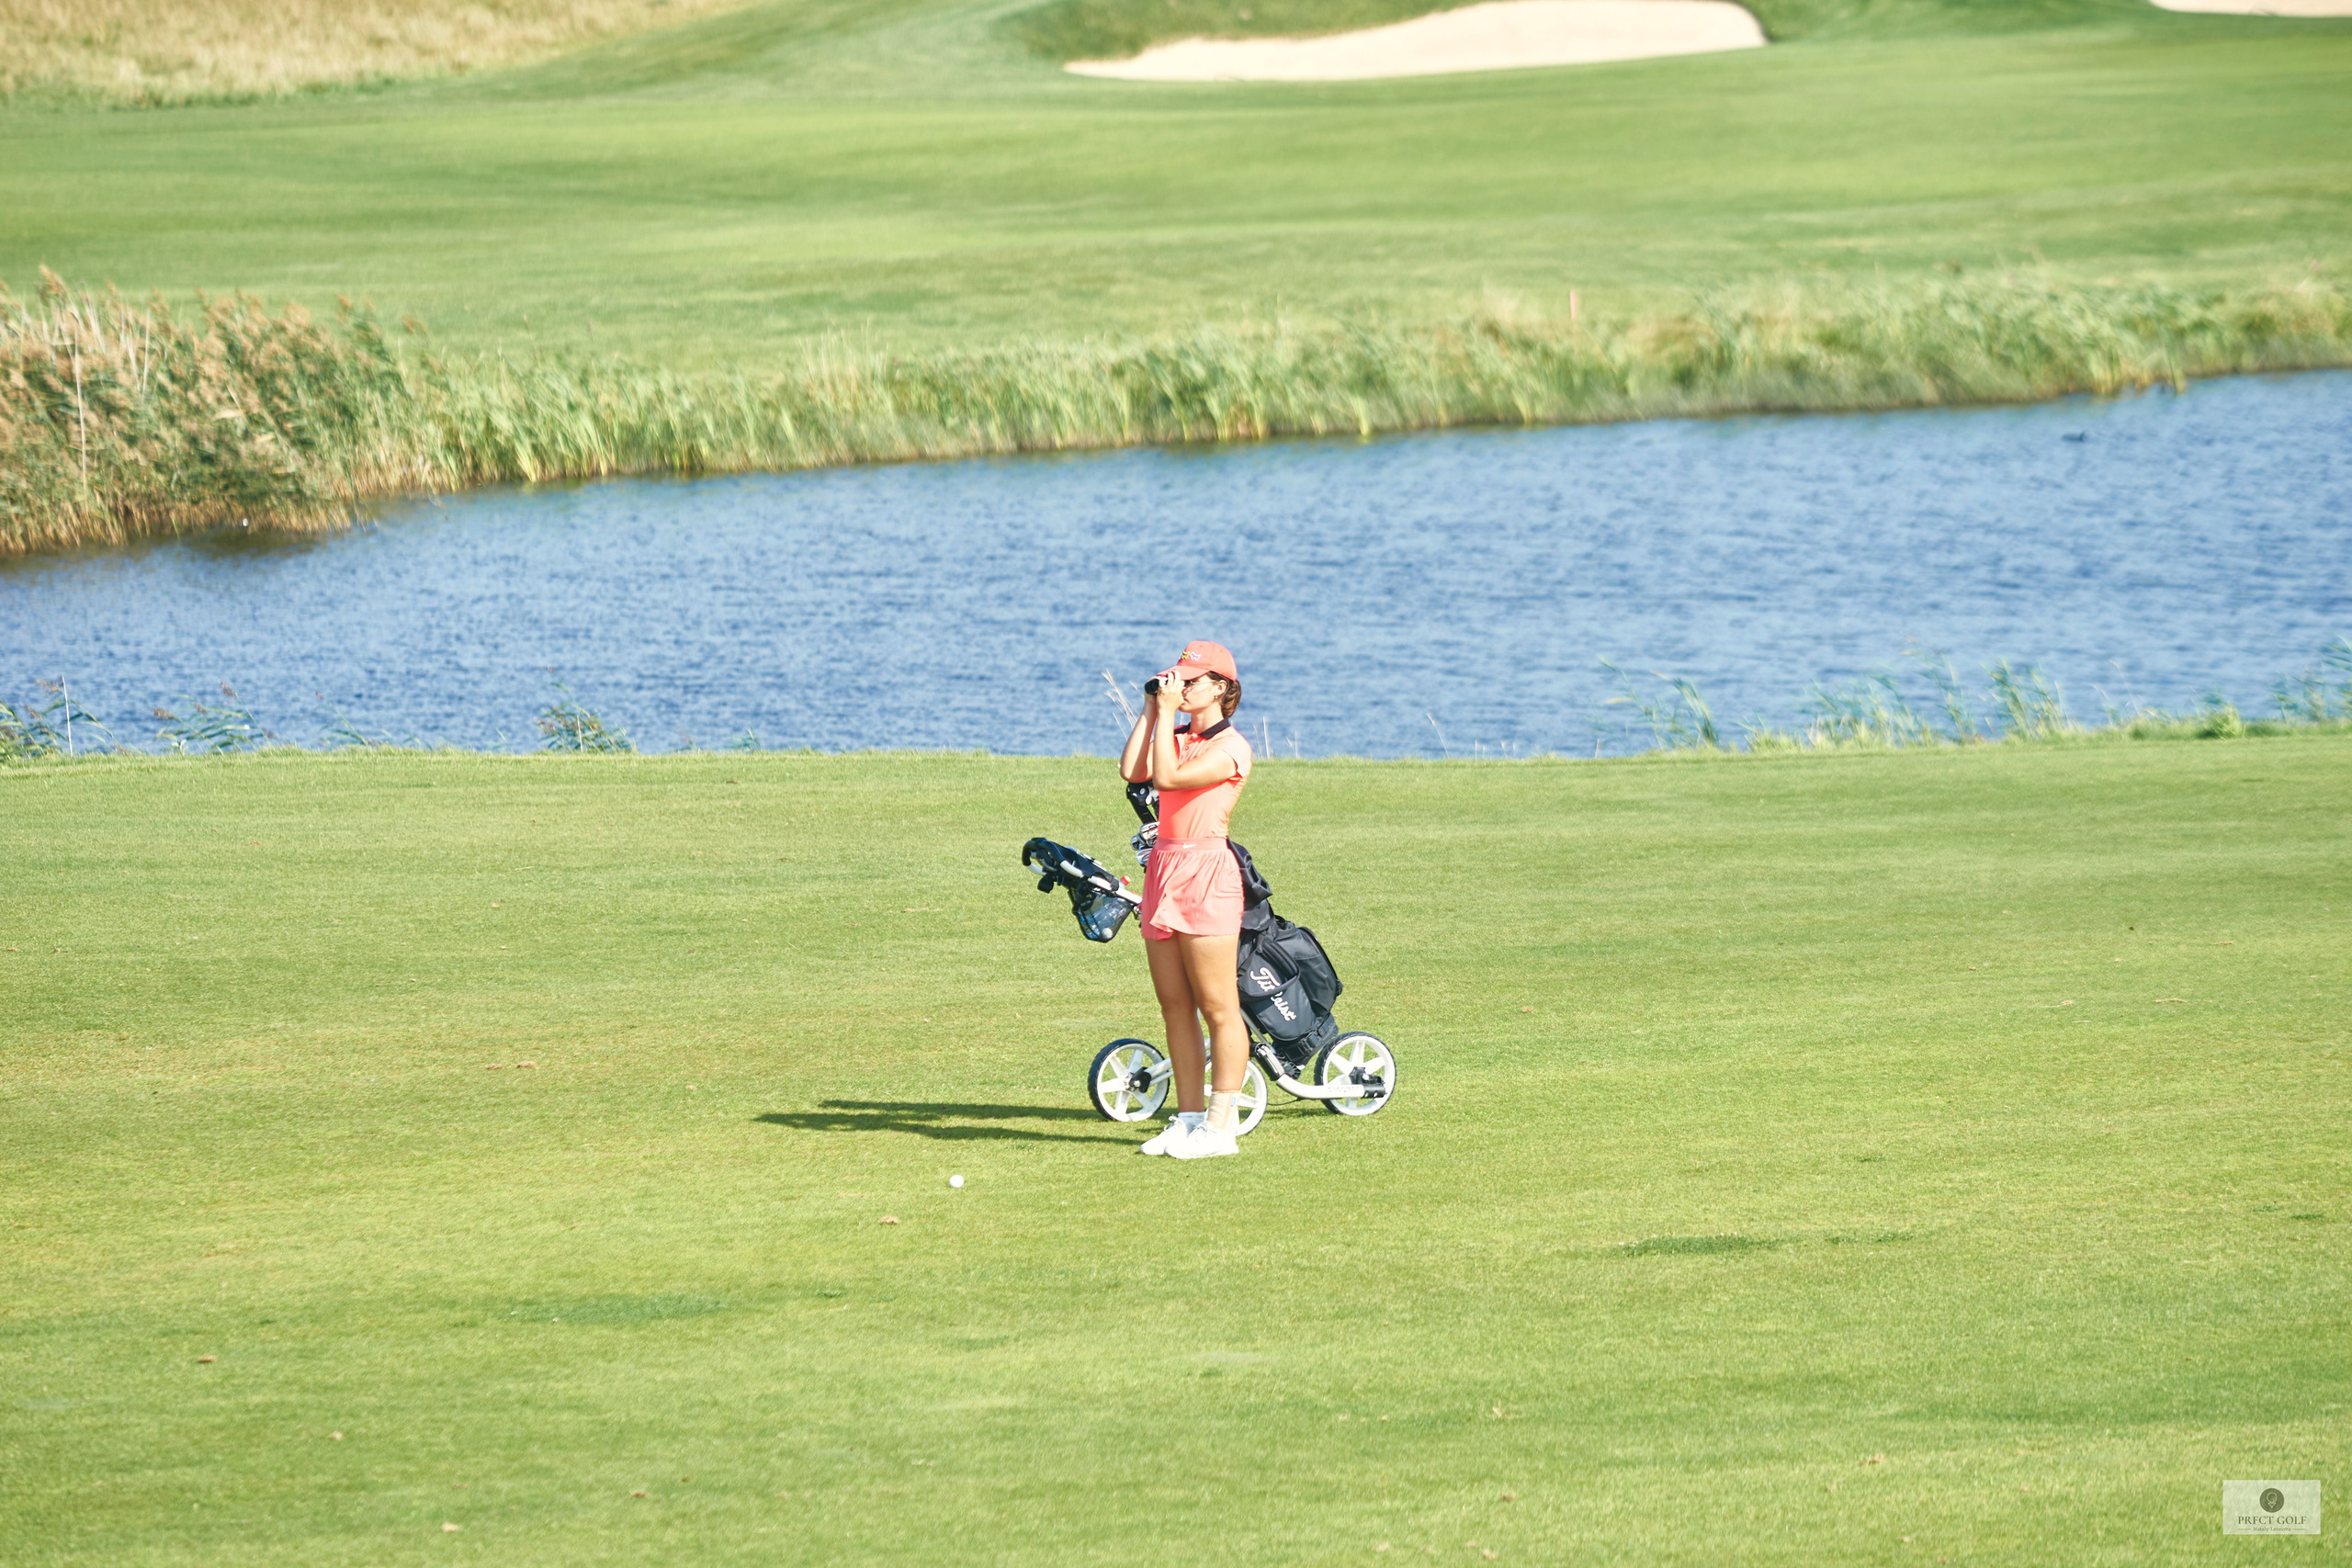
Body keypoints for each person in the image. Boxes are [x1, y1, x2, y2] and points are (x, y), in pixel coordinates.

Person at [1117, 640, 1254, 1159]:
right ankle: (1190, 1118)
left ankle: (1220, 1129)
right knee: (1174, 1004)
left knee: (1219, 1006)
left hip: (1207, 872)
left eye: (1193, 681)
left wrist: (1167, 713)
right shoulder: (1173, 736)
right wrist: (1152, 709)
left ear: (1221, 687)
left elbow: (1168, 778)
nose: (1182, 686)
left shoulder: (1231, 747)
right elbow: (1133, 771)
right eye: (1178, 678)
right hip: (1164, 869)